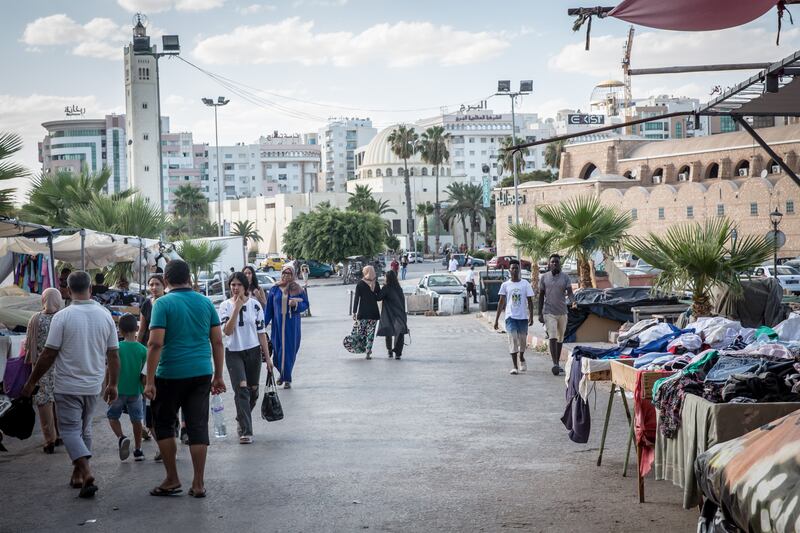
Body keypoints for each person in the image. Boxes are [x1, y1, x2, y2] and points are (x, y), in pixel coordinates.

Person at [21, 271, 120, 499]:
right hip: (93, 385)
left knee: (69, 431)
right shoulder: (105, 315)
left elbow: (47, 354)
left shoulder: (63, 317)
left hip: (67, 385)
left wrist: (31, 382)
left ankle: (86, 473)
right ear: (91, 289)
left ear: (67, 290)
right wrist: (112, 384)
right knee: (84, 430)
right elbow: (114, 355)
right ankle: (77, 477)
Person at [144, 259, 226, 498]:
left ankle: (172, 478)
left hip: (170, 374)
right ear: (189, 278)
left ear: (166, 280)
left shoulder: (162, 304)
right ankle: (198, 483)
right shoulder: (205, 302)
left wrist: (149, 380)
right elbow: (218, 341)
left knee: (164, 424)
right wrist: (218, 376)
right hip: (201, 372)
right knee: (198, 425)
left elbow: (155, 342)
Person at [219, 272, 272, 444]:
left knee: (253, 390)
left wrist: (268, 359)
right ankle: (246, 431)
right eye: (232, 285)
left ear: (245, 286)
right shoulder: (225, 306)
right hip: (234, 352)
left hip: (253, 352)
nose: (235, 288)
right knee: (241, 389)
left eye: (238, 285)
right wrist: (236, 308)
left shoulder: (255, 306)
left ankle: (241, 417)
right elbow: (227, 331)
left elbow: (261, 333)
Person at [23, 287, 64, 454]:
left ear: (43, 300)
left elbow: (27, 344)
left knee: (44, 402)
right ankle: (61, 434)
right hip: (61, 367)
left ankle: (49, 439)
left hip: (41, 367)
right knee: (60, 401)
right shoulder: (62, 318)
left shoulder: (35, 319)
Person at [107, 314, 147, 462]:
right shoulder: (143, 350)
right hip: (135, 391)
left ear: (120, 330)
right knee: (137, 420)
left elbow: (109, 369)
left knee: (112, 416)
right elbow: (144, 376)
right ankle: (138, 450)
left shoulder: (116, 348)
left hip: (118, 389)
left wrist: (108, 387)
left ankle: (121, 437)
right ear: (137, 329)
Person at [265, 265, 308, 388]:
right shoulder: (274, 289)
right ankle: (283, 373)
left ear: (293, 275)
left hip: (291, 325)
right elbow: (269, 309)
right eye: (284, 273)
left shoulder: (298, 288)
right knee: (277, 352)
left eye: (289, 273)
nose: (286, 275)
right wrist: (263, 324)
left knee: (288, 351)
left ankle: (286, 378)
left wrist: (295, 305)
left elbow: (305, 304)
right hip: (277, 325)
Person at [137, 273, 165, 449]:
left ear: (164, 286)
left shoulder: (169, 301)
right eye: (151, 284)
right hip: (149, 351)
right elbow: (142, 329)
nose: (154, 287)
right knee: (148, 388)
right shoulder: (147, 304)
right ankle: (151, 425)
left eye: (157, 284)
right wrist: (138, 349)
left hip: (165, 351)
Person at [494, 261, 534, 375]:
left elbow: (530, 301)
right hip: (510, 317)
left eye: (517, 268)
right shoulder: (505, 285)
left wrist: (531, 316)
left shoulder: (525, 284)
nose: (515, 270)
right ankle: (515, 366)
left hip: (522, 318)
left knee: (522, 341)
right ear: (509, 270)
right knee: (512, 340)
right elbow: (501, 302)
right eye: (513, 268)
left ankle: (521, 357)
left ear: (519, 270)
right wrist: (496, 320)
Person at [538, 254, 575, 376]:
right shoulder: (544, 278)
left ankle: (557, 363)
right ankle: (555, 363)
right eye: (552, 262)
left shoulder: (565, 277)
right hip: (549, 312)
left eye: (557, 262)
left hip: (562, 312)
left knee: (560, 339)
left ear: (560, 264)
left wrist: (573, 300)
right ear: (549, 264)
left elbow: (569, 292)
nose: (554, 264)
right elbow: (541, 296)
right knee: (552, 337)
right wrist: (539, 313)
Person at [346, 265, 380, 359]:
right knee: (371, 333)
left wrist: (354, 312)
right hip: (374, 313)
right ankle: (368, 350)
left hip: (363, 313)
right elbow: (378, 297)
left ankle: (362, 348)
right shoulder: (375, 283)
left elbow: (356, 299)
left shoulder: (360, 284)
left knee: (363, 333)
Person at [377, 269, 408, 360]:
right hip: (400, 313)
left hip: (389, 313)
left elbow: (378, 298)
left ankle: (390, 351)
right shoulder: (399, 288)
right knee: (400, 332)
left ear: (388, 278)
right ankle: (398, 353)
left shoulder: (386, 288)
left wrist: (377, 288)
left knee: (388, 331)